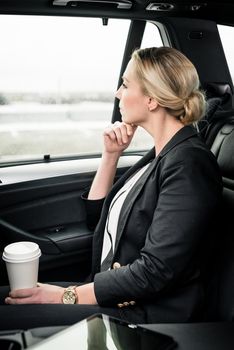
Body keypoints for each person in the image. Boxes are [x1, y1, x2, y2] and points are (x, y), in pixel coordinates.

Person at [0, 47, 222, 330]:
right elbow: (99, 224)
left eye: (126, 84)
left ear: (152, 99)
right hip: (115, 295)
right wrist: (111, 155)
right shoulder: (160, 154)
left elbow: (156, 272)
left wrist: (67, 296)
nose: (118, 93)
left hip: (145, 315)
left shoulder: (189, 164)